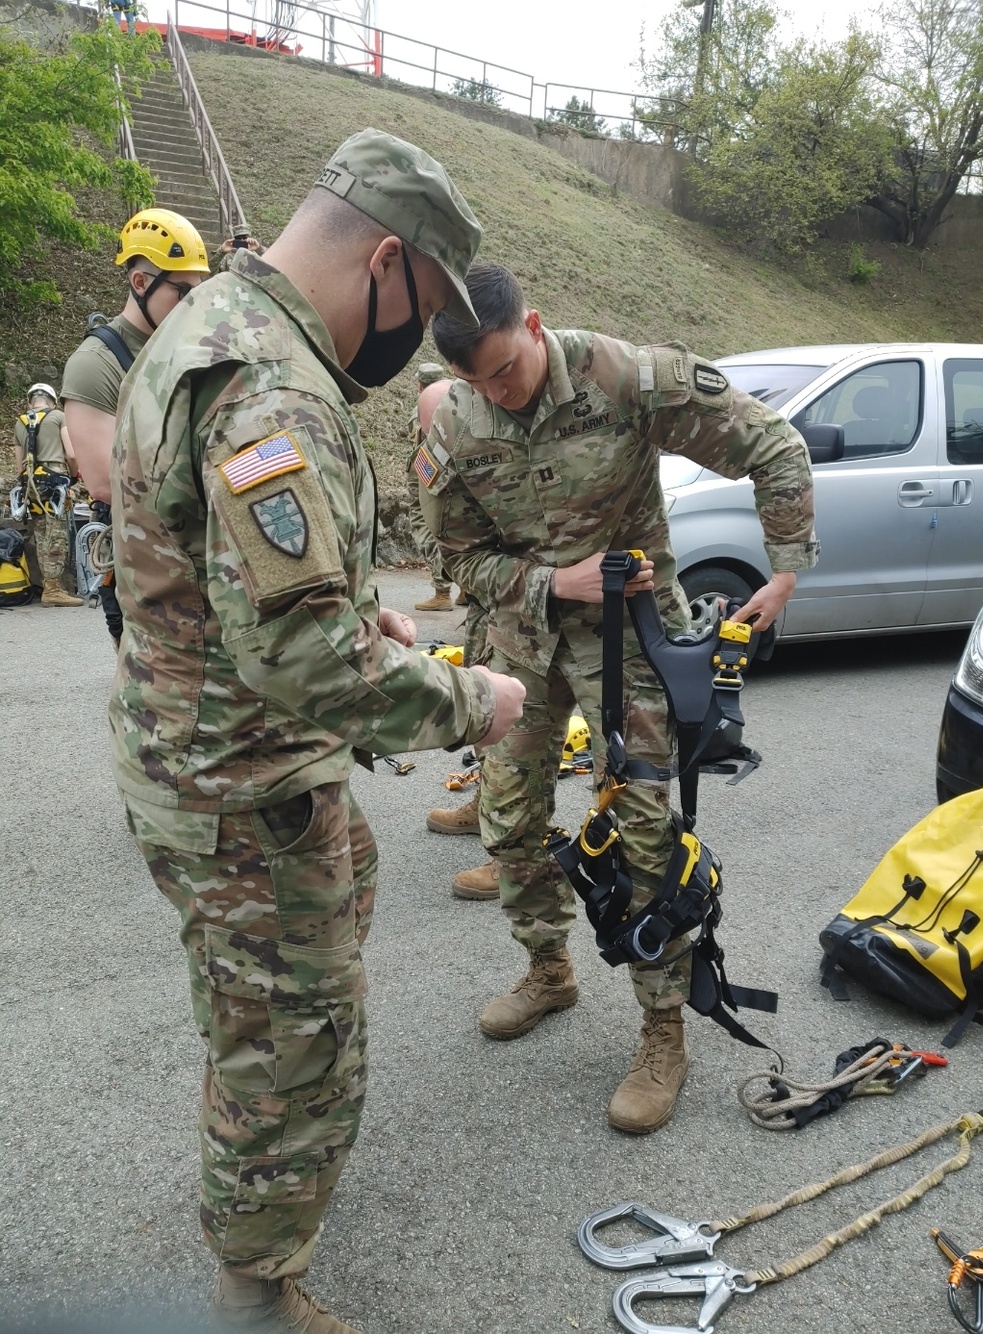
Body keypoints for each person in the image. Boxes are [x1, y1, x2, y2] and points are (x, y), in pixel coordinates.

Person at [109, 129, 525, 1333]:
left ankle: (263, 1115)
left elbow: (214, 565)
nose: (414, 341)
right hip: (240, 781)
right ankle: (255, 1288)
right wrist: (471, 703)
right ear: (385, 261)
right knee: (297, 1039)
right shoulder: (274, 386)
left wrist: (361, 613)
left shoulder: (207, 322)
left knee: (318, 932)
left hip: (206, 749)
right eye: (426, 303)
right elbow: (294, 651)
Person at [421, 261, 818, 1135]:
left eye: (506, 370)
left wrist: (787, 568)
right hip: (524, 638)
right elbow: (456, 560)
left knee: (643, 829)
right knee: (510, 815)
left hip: (633, 634)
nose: (498, 392)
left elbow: (771, 443)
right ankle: (547, 969)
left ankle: (662, 1028)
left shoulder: (625, 377)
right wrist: (548, 582)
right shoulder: (453, 419)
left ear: (533, 326)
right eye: (476, 380)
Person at [61, 207, 210, 647]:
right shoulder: (96, 364)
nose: (191, 306)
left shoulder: (191, 350)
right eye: (181, 292)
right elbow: (107, 482)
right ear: (141, 283)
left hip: (204, 558)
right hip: (145, 570)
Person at [415, 376, 501, 901]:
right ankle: (488, 807)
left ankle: (513, 848)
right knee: (484, 712)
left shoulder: (497, 446)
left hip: (519, 602)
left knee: (519, 730)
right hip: (485, 600)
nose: (436, 437)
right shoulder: (435, 456)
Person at [12, 384, 82, 607]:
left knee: (41, 533)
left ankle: (49, 585)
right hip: (54, 481)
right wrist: (73, 477)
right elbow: (71, 454)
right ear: (52, 401)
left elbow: (19, 468)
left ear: (31, 401)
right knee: (56, 532)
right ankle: (53, 589)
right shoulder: (59, 417)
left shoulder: (20, 422)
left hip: (31, 485)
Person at [408, 361, 457, 610]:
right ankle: (468, 589)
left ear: (419, 384)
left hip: (427, 475)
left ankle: (442, 590)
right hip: (450, 475)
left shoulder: (421, 408)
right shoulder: (456, 405)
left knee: (425, 524)